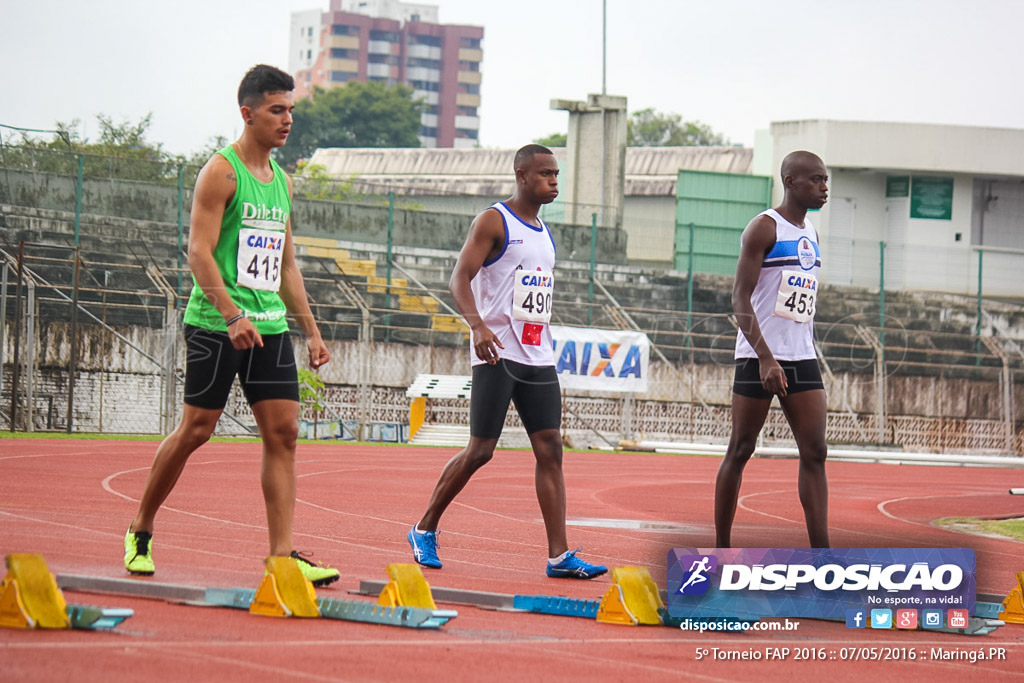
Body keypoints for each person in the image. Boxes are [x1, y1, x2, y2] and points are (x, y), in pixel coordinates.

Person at [123, 65, 339, 586]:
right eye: (277, 110)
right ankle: (141, 529)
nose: (288, 120)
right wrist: (231, 314)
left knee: (284, 434)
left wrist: (310, 329)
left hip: (267, 328)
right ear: (248, 113)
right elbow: (198, 253)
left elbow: (286, 265)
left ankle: (282, 558)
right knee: (197, 429)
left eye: (291, 110)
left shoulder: (283, 182)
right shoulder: (220, 172)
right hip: (215, 324)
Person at [407, 144, 607, 579]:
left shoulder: (543, 230)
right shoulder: (494, 220)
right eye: (545, 174)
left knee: (551, 448)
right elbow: (460, 276)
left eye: (556, 174)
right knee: (481, 451)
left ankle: (559, 555)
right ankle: (424, 528)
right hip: (497, 354)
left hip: (537, 354)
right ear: (521, 175)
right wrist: (477, 326)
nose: (554, 181)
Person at [714, 150, 830, 549]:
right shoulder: (764, 228)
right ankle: (722, 549)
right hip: (757, 357)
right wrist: (765, 355)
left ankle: (823, 557)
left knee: (816, 452)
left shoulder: (811, 233)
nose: (824, 187)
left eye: (826, 179)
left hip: (802, 357)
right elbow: (739, 298)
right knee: (742, 448)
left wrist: (803, 348)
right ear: (791, 182)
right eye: (816, 179)